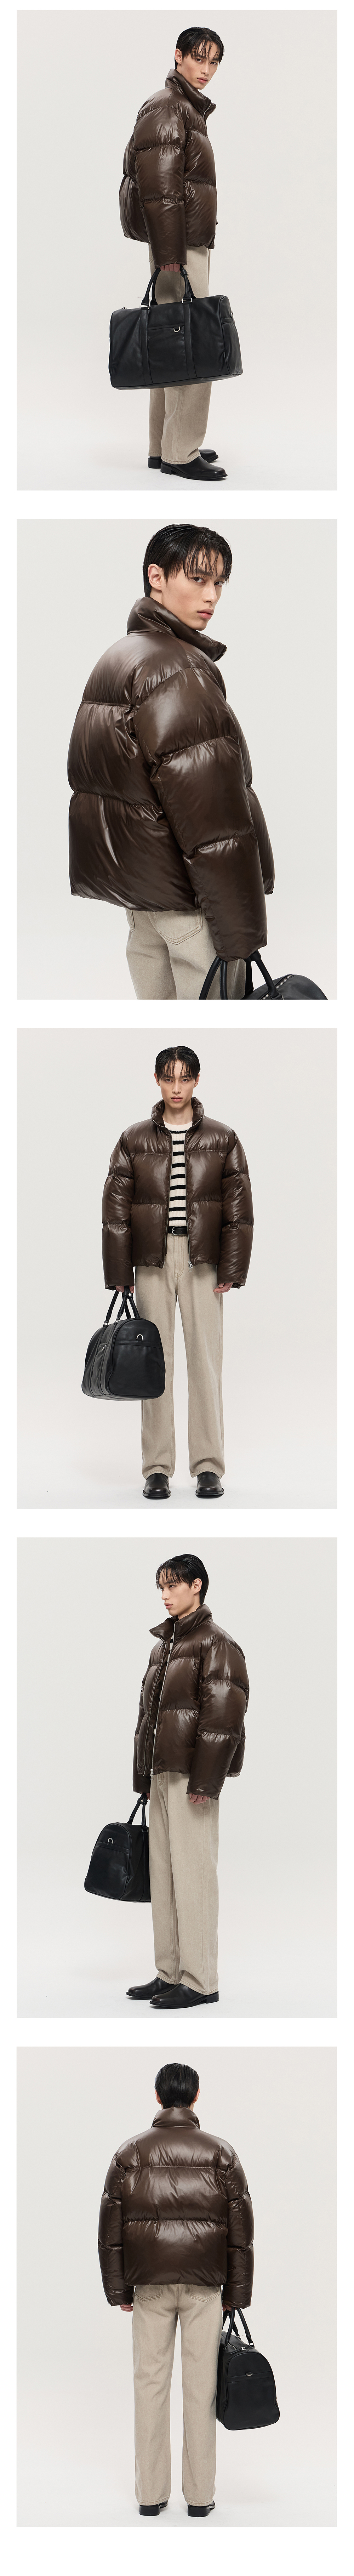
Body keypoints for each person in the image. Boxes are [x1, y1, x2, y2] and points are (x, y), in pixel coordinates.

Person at [68, 521, 274, 1001]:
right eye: (198, 579)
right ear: (156, 576)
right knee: (212, 1028)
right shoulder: (178, 668)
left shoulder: (120, 656)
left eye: (219, 582)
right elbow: (210, 814)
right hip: (189, 904)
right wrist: (239, 927)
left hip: (143, 902)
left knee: (161, 1022)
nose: (212, 596)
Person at [98, 2058, 254, 2515]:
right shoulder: (222, 2154)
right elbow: (241, 2235)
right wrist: (236, 2295)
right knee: (202, 2390)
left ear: (158, 2096)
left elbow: (109, 2231)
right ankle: (200, 2499)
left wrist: (119, 2291)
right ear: (196, 2097)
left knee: (150, 2386)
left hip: (149, 2286)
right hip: (206, 2289)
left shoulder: (129, 2154)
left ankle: (151, 2497)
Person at [102, 1044, 254, 1499]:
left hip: (202, 1260)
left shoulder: (223, 1138)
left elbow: (239, 1211)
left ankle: (208, 1467)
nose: (176, 1087)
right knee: (154, 1362)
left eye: (184, 1078)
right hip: (151, 1261)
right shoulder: (133, 1140)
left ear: (196, 1081)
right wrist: (120, 1274)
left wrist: (232, 1268)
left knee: (206, 1363)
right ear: (157, 1080)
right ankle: (157, 1468)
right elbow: (115, 1214)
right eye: (168, 1078)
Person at [127, 1552, 249, 2010]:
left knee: (194, 1874)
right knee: (163, 1875)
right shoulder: (163, 1647)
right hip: (162, 1775)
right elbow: (148, 1717)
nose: (165, 1594)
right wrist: (143, 1775)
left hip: (192, 1778)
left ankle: (200, 1980)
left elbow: (224, 1719)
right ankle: (170, 1972)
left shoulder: (217, 1643)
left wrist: (207, 1781)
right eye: (161, 1587)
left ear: (197, 1586)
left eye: (173, 1585)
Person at [120, 27, 228, 480]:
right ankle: (181, 452)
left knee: (170, 338)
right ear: (179, 56)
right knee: (194, 339)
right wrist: (170, 253)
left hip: (179, 241)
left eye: (214, 62)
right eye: (199, 59)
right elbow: (161, 189)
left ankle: (162, 446)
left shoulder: (181, 106)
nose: (207, 70)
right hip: (179, 244)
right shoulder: (170, 108)